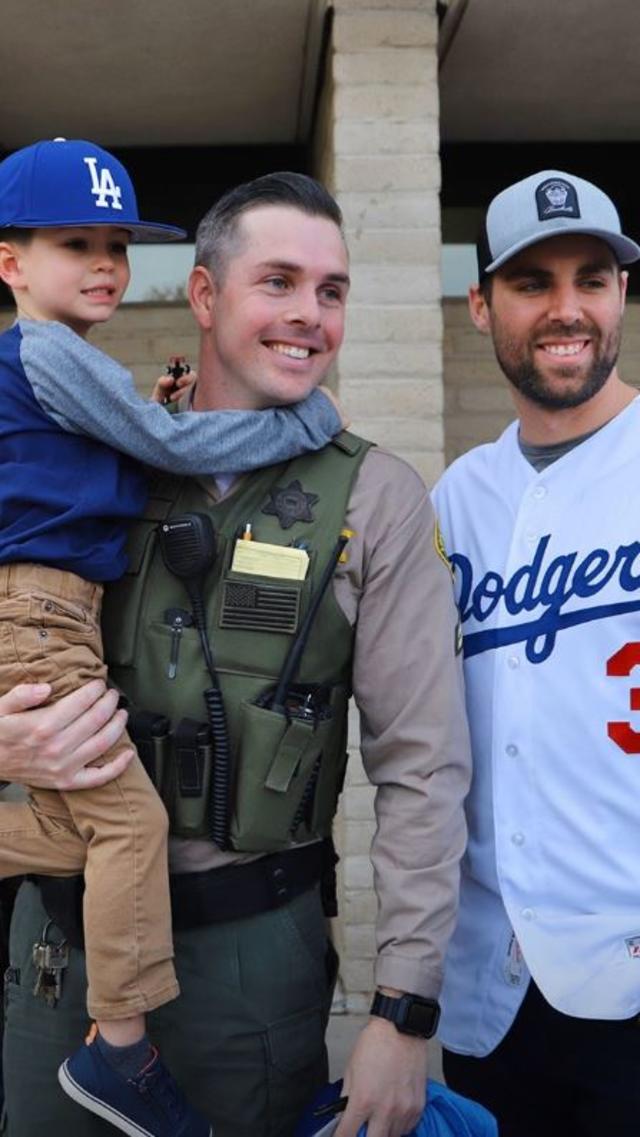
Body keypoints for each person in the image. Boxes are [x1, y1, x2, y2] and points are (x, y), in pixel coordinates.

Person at [0, 170, 471, 1137]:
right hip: (61, 954)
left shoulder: (375, 495)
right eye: (279, 282)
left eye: (332, 291)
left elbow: (423, 768)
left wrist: (403, 1011)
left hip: (254, 966)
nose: (310, 316)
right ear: (205, 297)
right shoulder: (91, 463)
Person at [432, 170, 640, 1136]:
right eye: (531, 282)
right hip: (491, 992)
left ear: (621, 295)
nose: (568, 310)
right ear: (480, 305)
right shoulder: (453, 502)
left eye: (591, 277)